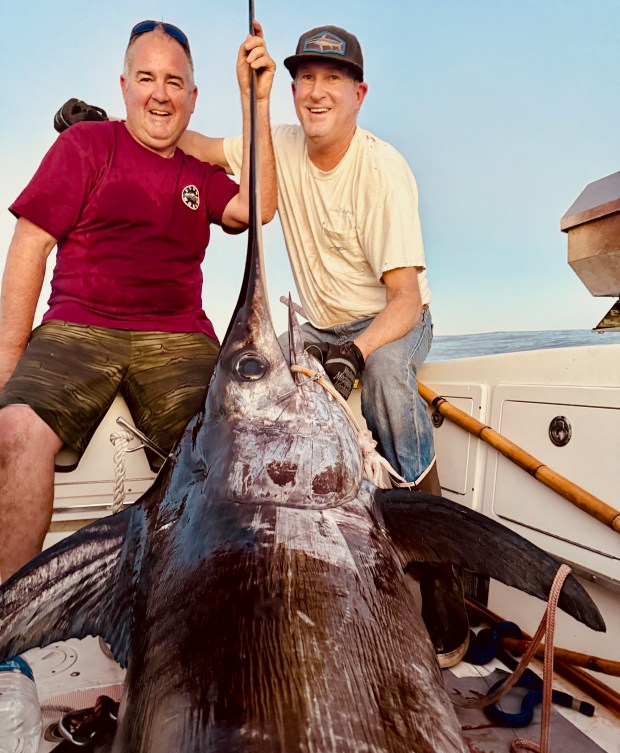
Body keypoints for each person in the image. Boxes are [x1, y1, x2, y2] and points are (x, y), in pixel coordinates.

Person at [51, 24, 469, 666]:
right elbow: (187, 141)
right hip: (317, 327)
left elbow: (406, 301)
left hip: (389, 321)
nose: (316, 91)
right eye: (306, 78)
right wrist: (105, 126)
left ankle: (441, 577)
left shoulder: (382, 170)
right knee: (257, 400)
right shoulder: (277, 144)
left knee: (386, 376)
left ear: (360, 93)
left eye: (333, 79)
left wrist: (355, 354)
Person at [0, 20, 277, 582]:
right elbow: (30, 246)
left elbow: (259, 208)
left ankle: (189, 603)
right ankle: (10, 625)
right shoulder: (85, 145)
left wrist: (256, 101)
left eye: (175, 82)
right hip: (78, 328)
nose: (160, 93)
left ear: (193, 98)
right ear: (123, 86)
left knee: (232, 445)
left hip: (178, 339)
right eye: (146, 78)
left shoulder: (197, 173)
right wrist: (7, 373)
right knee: (15, 432)